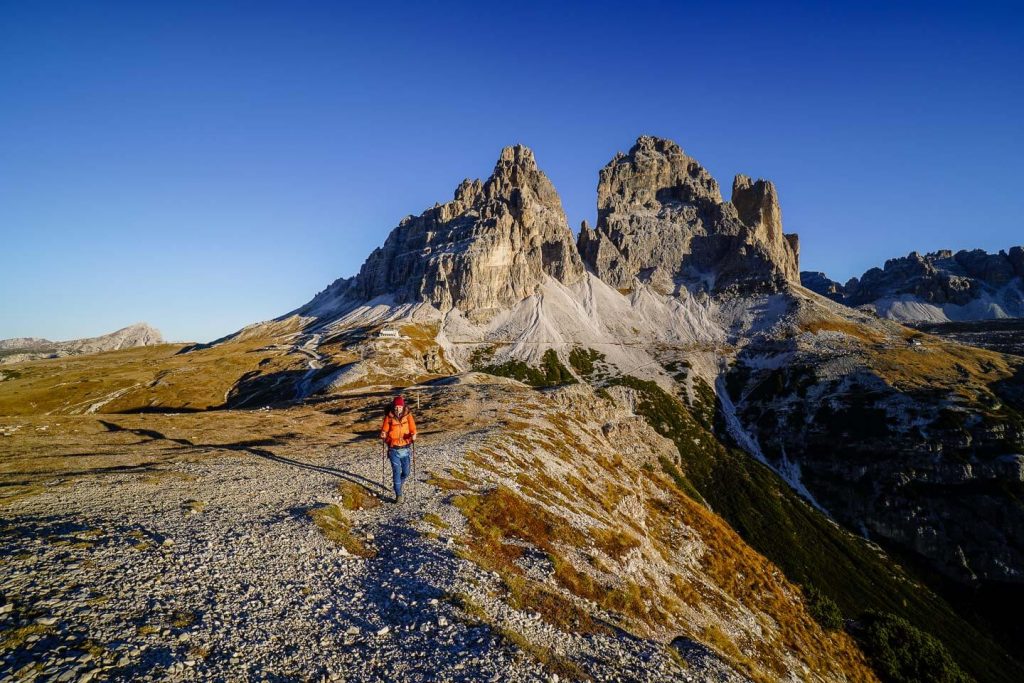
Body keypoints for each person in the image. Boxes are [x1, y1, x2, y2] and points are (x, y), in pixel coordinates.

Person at [379, 395, 417, 503]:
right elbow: (384, 430)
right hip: (393, 449)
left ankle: (399, 483)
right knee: (396, 471)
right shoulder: (389, 417)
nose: (397, 409)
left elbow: (413, 428)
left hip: (405, 447)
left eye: (399, 407)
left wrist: (414, 434)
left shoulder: (408, 415)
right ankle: (398, 494)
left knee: (406, 472)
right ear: (393, 407)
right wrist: (383, 434)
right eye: (396, 407)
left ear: (403, 406)